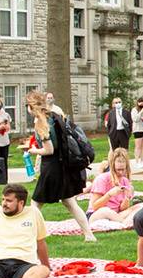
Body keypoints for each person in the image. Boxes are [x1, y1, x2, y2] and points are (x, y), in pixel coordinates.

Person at [26, 91, 95, 241]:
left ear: (32, 107)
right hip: (63, 164)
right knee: (69, 202)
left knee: (35, 203)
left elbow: (49, 149)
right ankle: (89, 235)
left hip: (51, 167)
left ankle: (30, 236)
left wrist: (33, 150)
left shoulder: (41, 122)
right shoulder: (55, 116)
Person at [85, 150, 143, 223]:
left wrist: (127, 198)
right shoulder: (102, 179)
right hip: (97, 214)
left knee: (142, 206)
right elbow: (95, 206)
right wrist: (109, 195)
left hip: (116, 214)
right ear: (112, 167)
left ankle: (122, 222)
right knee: (106, 211)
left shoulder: (125, 181)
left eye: (123, 170)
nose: (121, 172)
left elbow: (123, 209)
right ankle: (125, 223)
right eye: (118, 170)